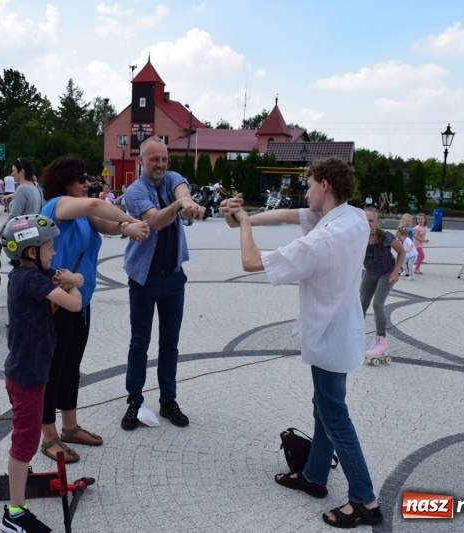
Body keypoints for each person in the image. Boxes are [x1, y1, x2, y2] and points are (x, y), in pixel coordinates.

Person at [221, 158, 383, 529]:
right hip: (340, 333)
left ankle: (365, 500)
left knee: (335, 417)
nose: (305, 191)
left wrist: (243, 224)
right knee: (324, 408)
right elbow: (289, 216)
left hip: (328, 337)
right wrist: (247, 216)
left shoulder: (319, 242)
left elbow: (250, 261)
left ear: (324, 185)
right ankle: (314, 475)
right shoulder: (353, 218)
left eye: (308, 185)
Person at [39, 156, 150, 463]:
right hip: (58, 303)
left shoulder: (81, 213)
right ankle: (48, 437)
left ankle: (70, 426)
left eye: (87, 179)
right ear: (65, 182)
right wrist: (129, 221)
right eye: (81, 179)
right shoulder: (57, 206)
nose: (87, 184)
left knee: (71, 366)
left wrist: (128, 229)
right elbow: (94, 207)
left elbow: (103, 223)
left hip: (80, 303)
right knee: (52, 370)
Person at [0, 214, 83, 533]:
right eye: (50, 246)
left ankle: (19, 491)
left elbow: (77, 281)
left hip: (28, 372)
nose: (54, 252)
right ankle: (14, 514)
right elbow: (74, 304)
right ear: (31, 251)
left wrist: (75, 280)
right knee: (24, 443)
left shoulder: (32, 272)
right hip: (27, 378)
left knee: (26, 437)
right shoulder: (30, 279)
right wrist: (74, 285)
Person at [120, 136, 205, 431]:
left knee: (170, 343)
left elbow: (181, 188)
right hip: (144, 279)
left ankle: (168, 400)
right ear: (141, 161)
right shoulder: (135, 191)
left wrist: (185, 199)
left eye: (164, 159)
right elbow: (155, 221)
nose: (160, 165)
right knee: (139, 343)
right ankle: (134, 402)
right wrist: (181, 205)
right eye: (154, 159)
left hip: (174, 277)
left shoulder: (171, 179)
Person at [360, 208, 405, 361]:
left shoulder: (385, 237)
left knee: (378, 304)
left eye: (371, 220)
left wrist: (396, 272)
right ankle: (355, 335)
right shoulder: (357, 236)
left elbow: (402, 252)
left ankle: (381, 340)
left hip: (387, 272)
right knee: (360, 304)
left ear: (378, 222)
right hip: (370, 272)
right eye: (364, 220)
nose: (367, 223)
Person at [0, 158, 43, 236]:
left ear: (21, 172)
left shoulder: (22, 189)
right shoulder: (36, 188)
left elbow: (14, 216)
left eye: (13, 171)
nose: (11, 174)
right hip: (32, 233)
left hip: (21, 235)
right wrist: (13, 196)